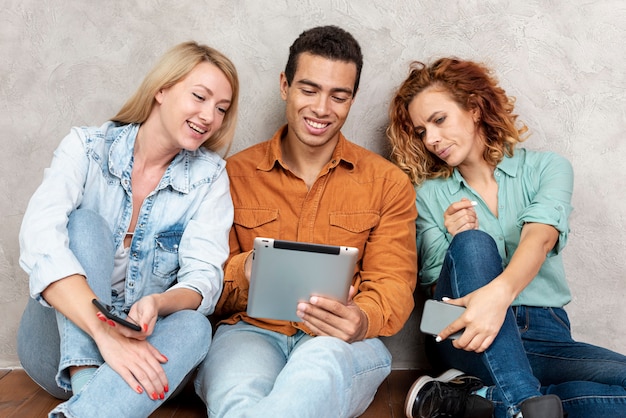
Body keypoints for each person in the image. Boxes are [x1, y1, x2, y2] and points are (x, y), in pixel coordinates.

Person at [194, 25, 418, 417]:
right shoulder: (232, 174)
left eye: (338, 96)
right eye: (309, 89)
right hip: (249, 332)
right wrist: (244, 270)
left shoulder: (388, 184)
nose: (321, 109)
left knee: (316, 372)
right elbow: (204, 281)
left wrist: (361, 319)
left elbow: (394, 283)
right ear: (285, 85)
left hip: (342, 342)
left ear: (353, 99)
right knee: (237, 395)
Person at [386, 57, 626, 418]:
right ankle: (522, 404)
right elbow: (436, 294)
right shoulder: (427, 194)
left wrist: (498, 296)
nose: (431, 139)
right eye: (421, 131)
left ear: (475, 108)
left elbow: (540, 238)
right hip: (459, 332)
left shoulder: (547, 168)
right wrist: (457, 242)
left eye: (438, 120)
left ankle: (476, 401)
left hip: (544, 332)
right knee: (472, 243)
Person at [16, 41, 239, 418]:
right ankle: (88, 382)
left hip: (141, 352)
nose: (209, 117)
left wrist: (157, 303)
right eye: (199, 97)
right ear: (161, 90)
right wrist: (103, 334)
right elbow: (39, 241)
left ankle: (87, 410)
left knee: (196, 326)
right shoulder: (86, 147)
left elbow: (204, 278)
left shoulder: (210, 177)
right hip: (58, 348)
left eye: (221, 109)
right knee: (84, 225)